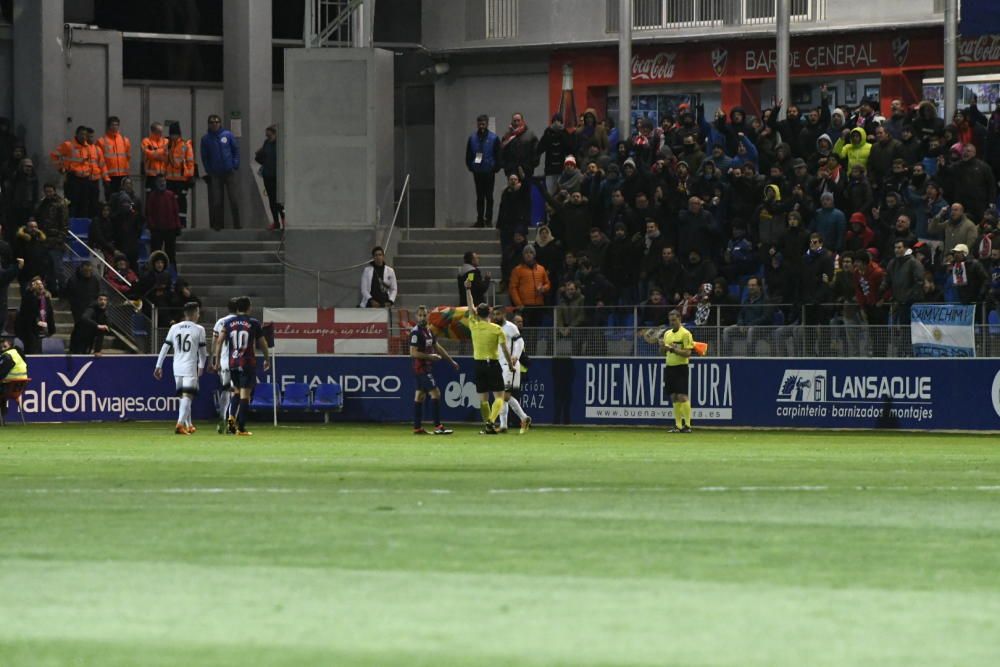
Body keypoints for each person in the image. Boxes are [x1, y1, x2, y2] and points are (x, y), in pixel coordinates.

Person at [215, 296, 270, 436]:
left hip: (232, 363)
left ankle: (231, 424)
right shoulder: (253, 323)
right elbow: (262, 343)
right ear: (248, 307)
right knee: (245, 396)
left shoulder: (228, 323)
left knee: (236, 393)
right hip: (247, 363)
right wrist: (266, 358)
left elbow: (219, 341)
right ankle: (241, 427)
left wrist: (216, 361)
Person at [465, 277, 512, 434]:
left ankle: (487, 425)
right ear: (490, 312)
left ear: (478, 313)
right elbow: (505, 350)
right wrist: (511, 365)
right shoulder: (496, 329)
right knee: (499, 396)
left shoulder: (474, 325)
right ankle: (492, 421)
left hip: (478, 365)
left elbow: (470, 307)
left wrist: (468, 289)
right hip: (492, 364)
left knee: (483, 399)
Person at [154, 301, 207, 435]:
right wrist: (201, 365)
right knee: (187, 397)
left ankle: (188, 424)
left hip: (176, 366)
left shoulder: (174, 328)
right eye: (198, 312)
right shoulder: (199, 329)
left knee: (183, 397)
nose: (199, 315)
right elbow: (202, 352)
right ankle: (180, 424)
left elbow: (165, 347)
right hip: (190, 366)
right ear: (195, 313)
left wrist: (158, 365)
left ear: (185, 313)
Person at [409, 304, 458, 435]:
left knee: (419, 396)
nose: (422, 317)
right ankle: (438, 426)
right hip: (421, 368)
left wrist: (451, 360)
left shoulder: (429, 330)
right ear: (416, 316)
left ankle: (417, 428)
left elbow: (437, 346)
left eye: (424, 315)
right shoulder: (416, 332)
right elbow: (413, 353)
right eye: (420, 315)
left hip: (425, 367)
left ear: (428, 315)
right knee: (436, 393)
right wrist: (430, 356)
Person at [493, 307, 531, 434]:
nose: (495, 317)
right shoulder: (495, 327)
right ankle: (504, 425)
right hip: (500, 364)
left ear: (504, 314)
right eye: (494, 314)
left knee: (504, 395)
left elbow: (520, 342)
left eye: (498, 314)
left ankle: (523, 418)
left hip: (509, 365)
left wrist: (515, 356)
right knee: (502, 395)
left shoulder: (511, 327)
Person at [200, 114, 241, 230]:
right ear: (209, 124)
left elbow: (235, 150)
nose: (215, 124)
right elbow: (204, 156)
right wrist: (209, 170)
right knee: (217, 201)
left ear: (220, 123)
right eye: (212, 122)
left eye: (217, 122)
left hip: (229, 171)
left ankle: (237, 224)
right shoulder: (206, 139)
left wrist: (235, 164)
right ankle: (218, 224)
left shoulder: (227, 135)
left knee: (234, 199)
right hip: (215, 174)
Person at [660, 309, 694, 433]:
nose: (672, 322)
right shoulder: (667, 334)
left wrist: (673, 350)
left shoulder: (685, 334)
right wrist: (662, 347)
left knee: (682, 395)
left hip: (681, 368)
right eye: (670, 320)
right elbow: (663, 352)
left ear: (680, 319)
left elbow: (688, 353)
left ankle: (688, 425)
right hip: (669, 367)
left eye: (674, 320)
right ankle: (678, 426)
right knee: (673, 396)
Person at [210, 297, 240, 435]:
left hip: (223, 363)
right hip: (238, 362)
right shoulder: (243, 322)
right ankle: (231, 423)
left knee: (226, 390)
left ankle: (222, 419)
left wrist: (213, 360)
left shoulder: (220, 322)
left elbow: (216, 342)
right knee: (236, 392)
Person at [49, 125, 93, 218]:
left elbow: (89, 162)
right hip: (73, 178)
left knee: (84, 204)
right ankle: (70, 226)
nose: (83, 137)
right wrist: (60, 168)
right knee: (72, 203)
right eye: (81, 134)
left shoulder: (88, 147)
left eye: (85, 135)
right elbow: (54, 155)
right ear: (76, 134)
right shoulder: (68, 145)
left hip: (85, 179)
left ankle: (82, 228)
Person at [466, 114, 500, 228]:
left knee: (489, 196)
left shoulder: (494, 138)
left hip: (489, 171)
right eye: (479, 123)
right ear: (477, 124)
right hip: (478, 171)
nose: (481, 125)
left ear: (486, 123)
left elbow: (498, 154)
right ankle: (480, 219)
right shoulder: (472, 138)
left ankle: (488, 219)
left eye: (483, 123)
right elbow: (469, 154)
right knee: (479, 197)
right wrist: (471, 166)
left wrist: (495, 168)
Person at [165, 122, 196, 229]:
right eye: (172, 134)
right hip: (169, 179)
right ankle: (170, 222)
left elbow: (190, 162)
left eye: (175, 134)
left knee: (181, 202)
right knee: (169, 202)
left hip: (182, 180)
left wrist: (189, 177)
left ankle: (182, 223)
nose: (173, 136)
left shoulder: (185, 145)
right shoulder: (167, 145)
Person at [146, 175, 181, 266]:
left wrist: (177, 226)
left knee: (171, 254)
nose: (162, 183)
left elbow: (175, 211)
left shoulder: (170, 195)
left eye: (163, 181)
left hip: (170, 229)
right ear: (156, 183)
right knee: (156, 253)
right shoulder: (152, 196)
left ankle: (173, 275)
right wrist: (152, 226)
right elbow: (149, 212)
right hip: (157, 229)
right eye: (160, 181)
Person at [15, 276, 56, 355]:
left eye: (41, 284)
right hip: (27, 329)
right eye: (37, 284)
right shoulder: (28, 297)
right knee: (31, 348)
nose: (40, 286)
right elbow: (28, 314)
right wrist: (32, 293)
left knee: (39, 349)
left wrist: (51, 329)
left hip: (39, 329)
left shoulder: (45, 299)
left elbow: (49, 314)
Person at [254, 124, 283, 230]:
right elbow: (262, 155)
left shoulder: (279, 143)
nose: (267, 136)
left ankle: (283, 220)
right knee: (271, 199)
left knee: (279, 200)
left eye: (269, 134)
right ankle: (276, 222)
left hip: (277, 175)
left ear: (274, 133)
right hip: (267, 174)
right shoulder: (266, 143)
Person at [97, 116, 132, 198]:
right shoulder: (101, 141)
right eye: (113, 125)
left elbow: (127, 159)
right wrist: (105, 178)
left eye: (117, 125)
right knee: (111, 200)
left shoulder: (124, 140)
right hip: (109, 177)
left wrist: (127, 175)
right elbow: (101, 162)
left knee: (123, 199)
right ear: (108, 126)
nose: (115, 127)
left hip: (123, 176)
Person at [141, 122, 168, 192]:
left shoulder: (166, 141)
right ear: (153, 131)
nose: (161, 134)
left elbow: (168, 156)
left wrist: (156, 153)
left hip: (163, 175)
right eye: (159, 131)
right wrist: (162, 153)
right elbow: (150, 155)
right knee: (150, 197)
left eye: (162, 131)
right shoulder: (146, 141)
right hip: (151, 175)